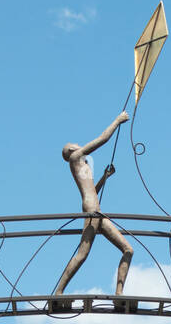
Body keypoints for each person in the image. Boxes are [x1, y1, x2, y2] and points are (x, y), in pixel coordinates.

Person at [54, 111, 133, 298]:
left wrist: (105, 178)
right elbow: (103, 139)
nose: (78, 144)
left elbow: (92, 192)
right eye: (74, 144)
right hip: (91, 211)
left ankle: (119, 293)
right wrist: (117, 120)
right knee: (82, 254)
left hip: (96, 211)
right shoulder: (75, 158)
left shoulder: (82, 166)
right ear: (71, 151)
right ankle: (58, 292)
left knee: (128, 250)